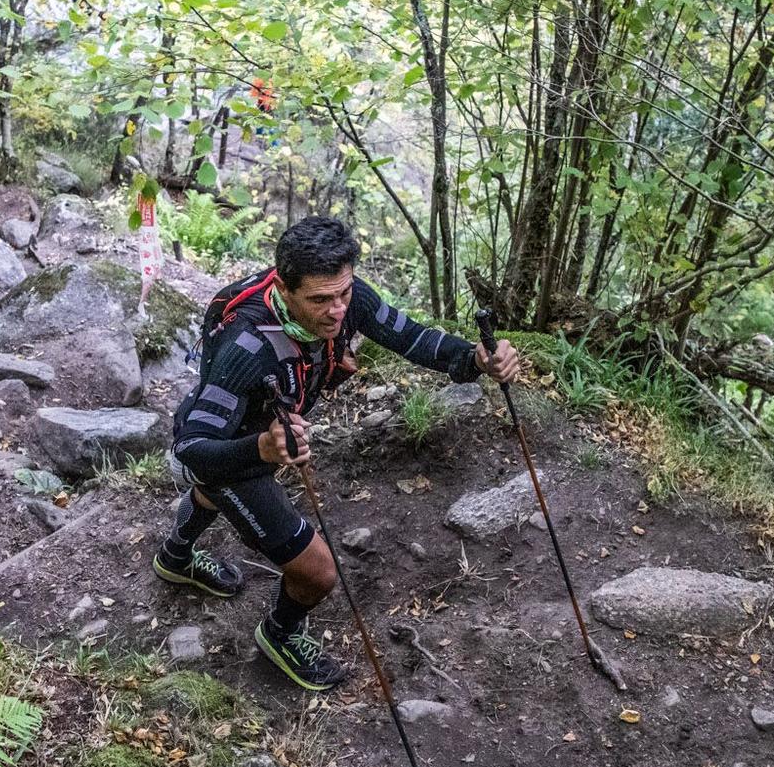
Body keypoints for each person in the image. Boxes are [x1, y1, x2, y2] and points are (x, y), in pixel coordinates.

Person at [160, 216, 522, 691]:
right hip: (233, 448)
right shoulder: (246, 348)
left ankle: (176, 554)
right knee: (319, 573)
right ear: (284, 287)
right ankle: (280, 634)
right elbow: (192, 451)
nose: (337, 311)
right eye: (320, 300)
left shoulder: (347, 296)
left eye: (343, 294)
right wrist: (263, 449)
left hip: (269, 435)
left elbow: (412, 338)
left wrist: (474, 357)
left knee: (219, 494)